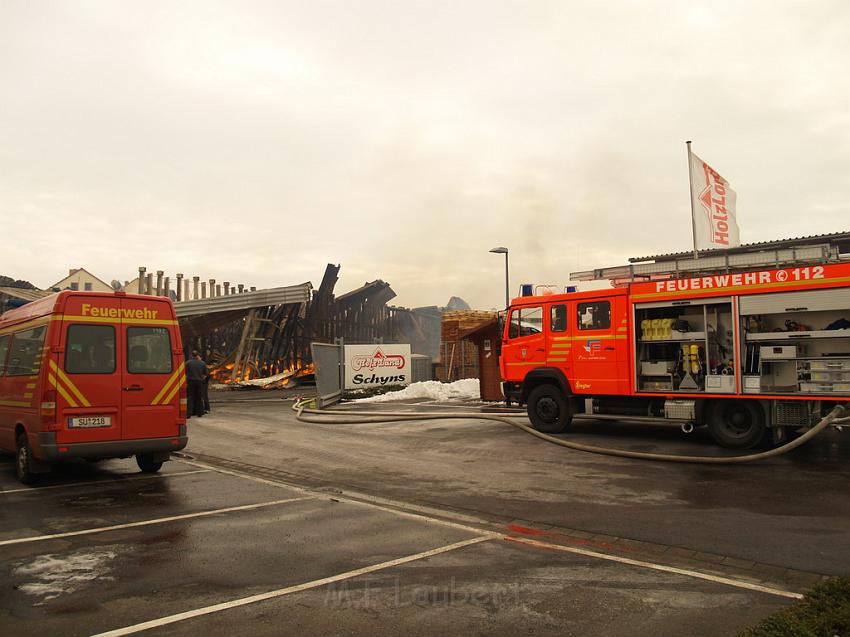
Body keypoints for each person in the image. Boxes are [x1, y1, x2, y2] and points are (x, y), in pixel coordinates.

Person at [185, 350, 209, 418]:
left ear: (191, 355)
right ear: (197, 355)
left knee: (190, 397)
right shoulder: (202, 363)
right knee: (199, 397)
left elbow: (184, 373)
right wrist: (201, 379)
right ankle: (200, 413)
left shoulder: (188, 363)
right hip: (199, 382)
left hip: (190, 382)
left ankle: (188, 413)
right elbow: (205, 374)